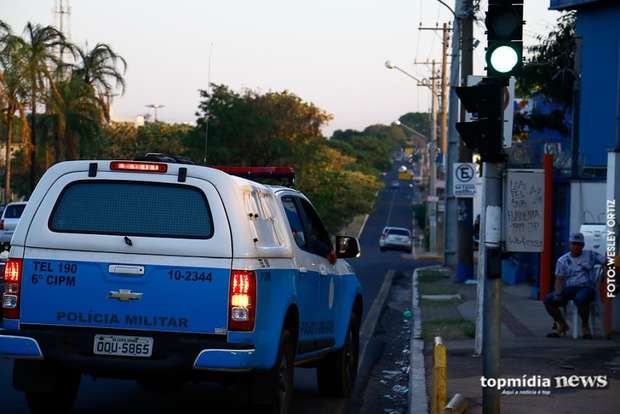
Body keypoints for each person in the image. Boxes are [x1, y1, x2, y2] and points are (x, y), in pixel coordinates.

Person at [543, 232, 605, 338]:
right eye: (574, 244)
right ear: (570, 244)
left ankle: (585, 326)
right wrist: (558, 294)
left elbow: (607, 261)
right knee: (549, 299)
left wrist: (610, 266)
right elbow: (559, 278)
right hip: (570, 288)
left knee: (580, 299)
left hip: (587, 287)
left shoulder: (591, 255)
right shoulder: (562, 260)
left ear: (583, 245)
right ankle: (562, 324)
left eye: (579, 244)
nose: (576, 247)